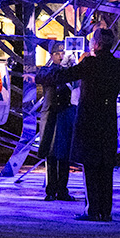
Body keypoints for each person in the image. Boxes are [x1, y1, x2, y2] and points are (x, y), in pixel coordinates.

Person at [37, 27, 120, 222]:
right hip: (107, 122)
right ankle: (106, 211)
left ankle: (92, 210)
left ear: (96, 45)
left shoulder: (89, 64)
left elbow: (63, 76)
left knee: (90, 167)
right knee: (106, 168)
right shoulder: (119, 66)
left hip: (89, 121)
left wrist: (41, 75)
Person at [37, 40, 77, 201]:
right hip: (51, 116)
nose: (61, 56)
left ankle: (62, 189)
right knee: (51, 153)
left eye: (63, 53)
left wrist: (71, 68)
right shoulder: (47, 70)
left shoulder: (70, 71)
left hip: (65, 115)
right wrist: (64, 70)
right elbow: (44, 78)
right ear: (52, 55)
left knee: (64, 154)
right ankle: (50, 189)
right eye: (58, 53)